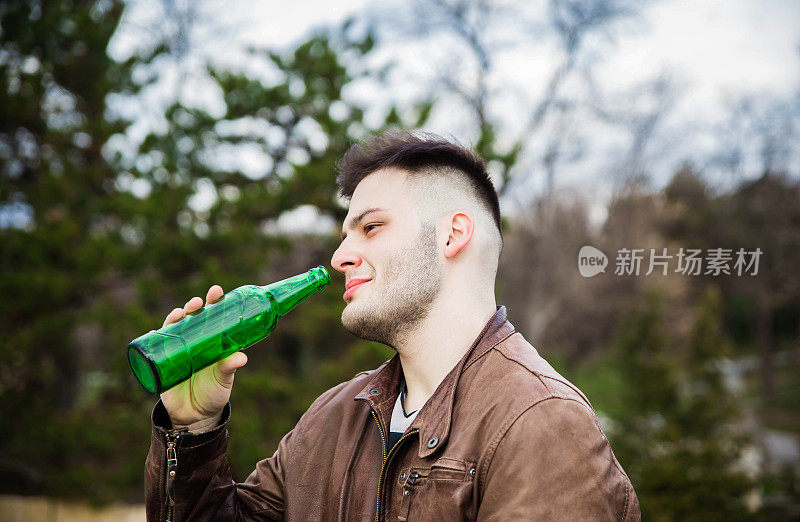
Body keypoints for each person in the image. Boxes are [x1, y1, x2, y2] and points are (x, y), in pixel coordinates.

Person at [144, 130, 641, 521]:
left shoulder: (539, 422)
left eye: (371, 227)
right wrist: (193, 428)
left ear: (452, 234)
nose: (340, 256)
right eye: (345, 234)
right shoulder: (335, 417)